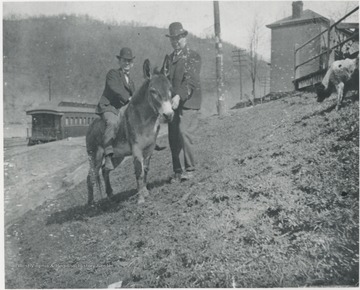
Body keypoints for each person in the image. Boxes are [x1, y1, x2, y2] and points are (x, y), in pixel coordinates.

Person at [165, 22, 202, 182]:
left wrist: (179, 96)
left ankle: (190, 169)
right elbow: (164, 80)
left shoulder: (192, 56)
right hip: (172, 104)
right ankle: (178, 171)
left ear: (184, 37)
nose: (175, 41)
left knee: (184, 132)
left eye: (178, 38)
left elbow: (191, 81)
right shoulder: (168, 58)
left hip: (188, 102)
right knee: (173, 137)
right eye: (173, 39)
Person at [96, 47, 135, 171]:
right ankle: (107, 155)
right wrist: (128, 99)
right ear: (120, 61)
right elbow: (115, 89)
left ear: (132, 63)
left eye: (129, 61)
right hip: (109, 107)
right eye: (124, 60)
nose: (127, 63)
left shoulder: (131, 81)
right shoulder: (113, 74)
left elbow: (134, 95)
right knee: (112, 122)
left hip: (122, 109)